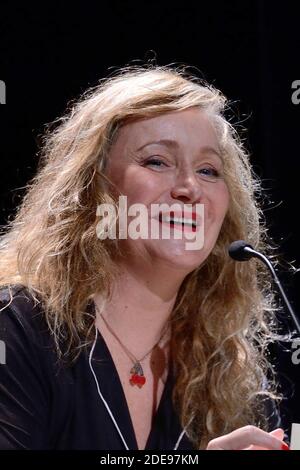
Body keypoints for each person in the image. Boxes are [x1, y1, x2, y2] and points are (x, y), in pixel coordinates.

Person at [0, 64, 289, 450]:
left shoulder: (231, 375)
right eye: (157, 161)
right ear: (93, 189)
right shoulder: (17, 330)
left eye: (208, 170)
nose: (190, 188)